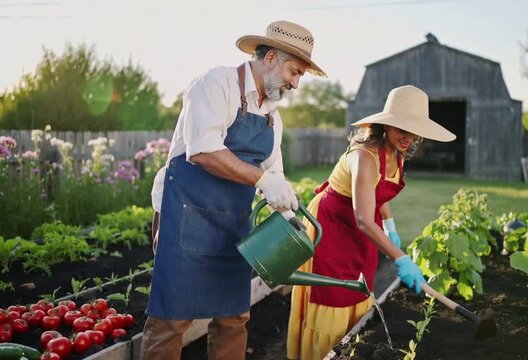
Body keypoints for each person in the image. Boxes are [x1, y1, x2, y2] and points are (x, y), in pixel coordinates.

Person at [141, 20, 326, 360]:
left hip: (234, 228)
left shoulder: (273, 117)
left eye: (300, 76)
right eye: (294, 71)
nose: (296, 84)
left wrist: (286, 212)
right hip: (187, 218)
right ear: (271, 58)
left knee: (234, 318)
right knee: (172, 319)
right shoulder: (215, 84)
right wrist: (262, 181)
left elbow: (275, 174)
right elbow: (203, 151)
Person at [286, 85, 456, 360]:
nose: (409, 137)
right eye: (402, 129)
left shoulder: (398, 153)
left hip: (363, 223)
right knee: (334, 292)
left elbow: (377, 195)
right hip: (333, 225)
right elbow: (363, 219)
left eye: (414, 132)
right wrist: (401, 258)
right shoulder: (364, 157)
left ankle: (350, 344)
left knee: (360, 284)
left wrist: (390, 226)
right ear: (385, 126)